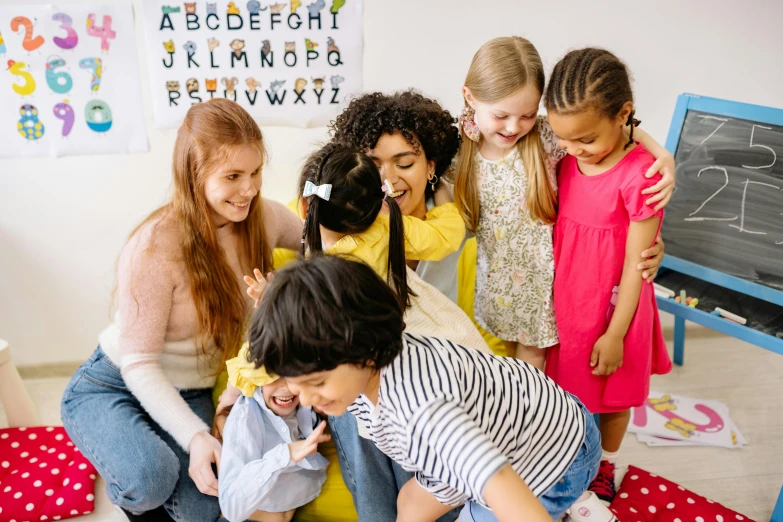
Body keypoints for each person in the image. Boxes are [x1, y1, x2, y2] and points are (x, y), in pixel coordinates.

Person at [60, 99, 303, 522]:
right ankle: (123, 456)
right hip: (115, 382)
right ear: (194, 175)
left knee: (206, 507)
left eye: (255, 172)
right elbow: (138, 363)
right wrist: (193, 438)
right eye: (232, 176)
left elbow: (322, 244)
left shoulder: (264, 218)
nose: (249, 189)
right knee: (149, 478)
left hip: (191, 391)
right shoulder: (155, 246)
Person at [246, 254, 618, 522]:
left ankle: (576, 505)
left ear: (366, 350)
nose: (307, 400)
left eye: (318, 383)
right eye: (297, 384)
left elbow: (502, 483)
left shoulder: (425, 411)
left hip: (551, 457)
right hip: (512, 421)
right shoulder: (358, 366)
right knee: (410, 505)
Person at [452, 36, 675, 370]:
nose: (515, 127)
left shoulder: (545, 138)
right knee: (498, 364)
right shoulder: (459, 149)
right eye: (502, 116)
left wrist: (663, 155)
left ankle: (532, 421)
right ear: (469, 96)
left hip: (542, 289)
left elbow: (616, 131)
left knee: (533, 370)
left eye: (527, 114)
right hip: (494, 284)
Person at [543, 48, 673, 505]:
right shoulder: (564, 156)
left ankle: (603, 465)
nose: (573, 149)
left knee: (613, 397)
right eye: (565, 140)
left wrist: (616, 332)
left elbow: (638, 266)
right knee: (569, 395)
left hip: (617, 308)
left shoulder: (641, 176)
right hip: (568, 304)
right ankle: (569, 459)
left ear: (623, 114)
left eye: (585, 139)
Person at [218, 365, 330, 522]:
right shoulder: (245, 420)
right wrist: (285, 454)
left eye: (292, 375)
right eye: (272, 375)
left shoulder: (305, 404)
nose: (285, 387)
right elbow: (231, 508)